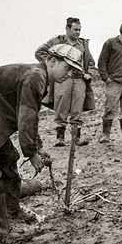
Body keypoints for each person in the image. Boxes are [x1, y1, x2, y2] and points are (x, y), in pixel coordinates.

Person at [0, 44, 83, 239]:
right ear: (51, 61)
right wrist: (32, 153)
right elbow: (25, 118)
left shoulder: (37, 76)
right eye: (67, 68)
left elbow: (27, 115)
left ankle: (11, 212)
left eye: (73, 70)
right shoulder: (35, 77)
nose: (69, 74)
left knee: (8, 160)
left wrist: (38, 147)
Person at [35, 17, 97, 147]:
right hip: (62, 80)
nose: (78, 32)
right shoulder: (56, 41)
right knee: (60, 108)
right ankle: (60, 138)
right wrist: (52, 64)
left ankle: (76, 138)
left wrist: (89, 73)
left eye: (79, 30)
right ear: (67, 28)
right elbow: (39, 52)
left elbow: (90, 61)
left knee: (77, 109)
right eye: (75, 29)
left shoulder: (83, 44)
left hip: (79, 80)